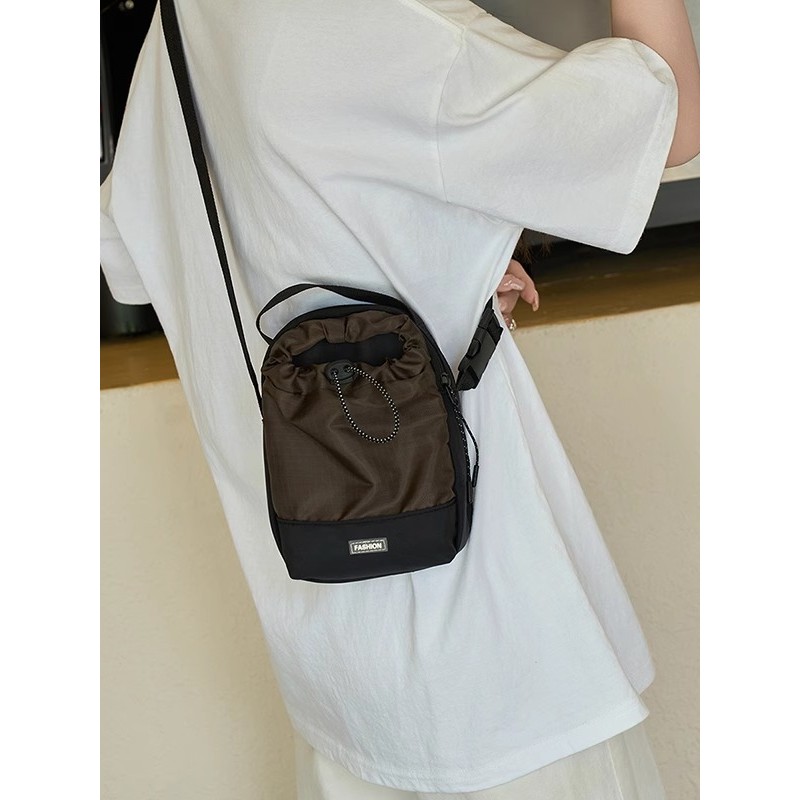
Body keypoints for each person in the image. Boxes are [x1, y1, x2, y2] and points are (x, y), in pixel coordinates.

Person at [100, 0, 700, 797]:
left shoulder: (180, 29)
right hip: (490, 668)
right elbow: (670, 121)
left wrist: (437, 254)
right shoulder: (368, 21)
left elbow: (141, 249)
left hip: (339, 676)